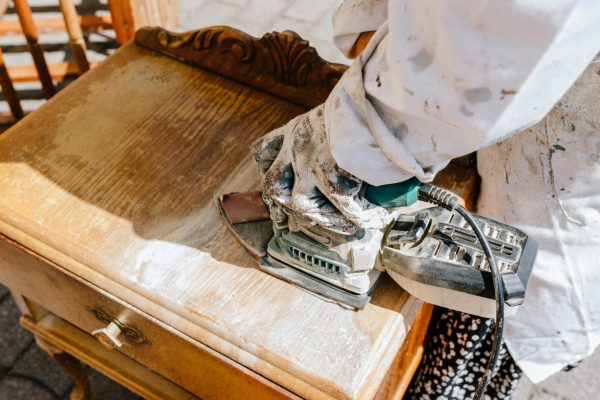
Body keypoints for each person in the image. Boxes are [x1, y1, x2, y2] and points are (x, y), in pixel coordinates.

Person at [252, 1, 600, 398]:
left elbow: (510, 25)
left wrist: (359, 135)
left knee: (448, 368)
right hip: (494, 128)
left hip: (558, 198)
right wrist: (378, 33)